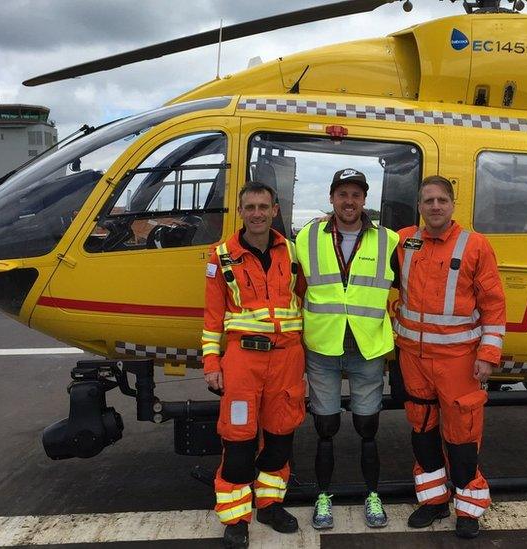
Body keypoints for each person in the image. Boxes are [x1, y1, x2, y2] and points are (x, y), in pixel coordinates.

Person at [396, 175, 506, 539]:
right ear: (420, 205)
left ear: (453, 204)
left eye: (442, 200)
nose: (435, 206)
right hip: (413, 357)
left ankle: (469, 508)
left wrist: (488, 354)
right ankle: (432, 501)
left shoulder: (475, 245)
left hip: (459, 360)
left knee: (462, 435)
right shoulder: (404, 240)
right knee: (422, 431)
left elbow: (493, 305)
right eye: (428, 200)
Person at [202, 182, 306, 549]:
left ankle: (270, 505)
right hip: (243, 361)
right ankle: (235, 518)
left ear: (275, 210)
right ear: (241, 211)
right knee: (238, 442)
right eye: (251, 207)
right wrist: (212, 363)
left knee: (281, 439)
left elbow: (306, 302)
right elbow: (213, 318)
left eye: (264, 206)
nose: (258, 213)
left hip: (287, 360)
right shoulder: (221, 257)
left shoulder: (293, 253)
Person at [295, 168, 399, 530]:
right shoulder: (307, 235)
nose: (349, 201)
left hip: (367, 346)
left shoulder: (390, 240)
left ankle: (373, 495)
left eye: (356, 194)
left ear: (365, 200)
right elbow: (294, 285)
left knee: (367, 426)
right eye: (343, 194)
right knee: (325, 426)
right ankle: (324, 498)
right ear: (331, 198)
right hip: (323, 345)